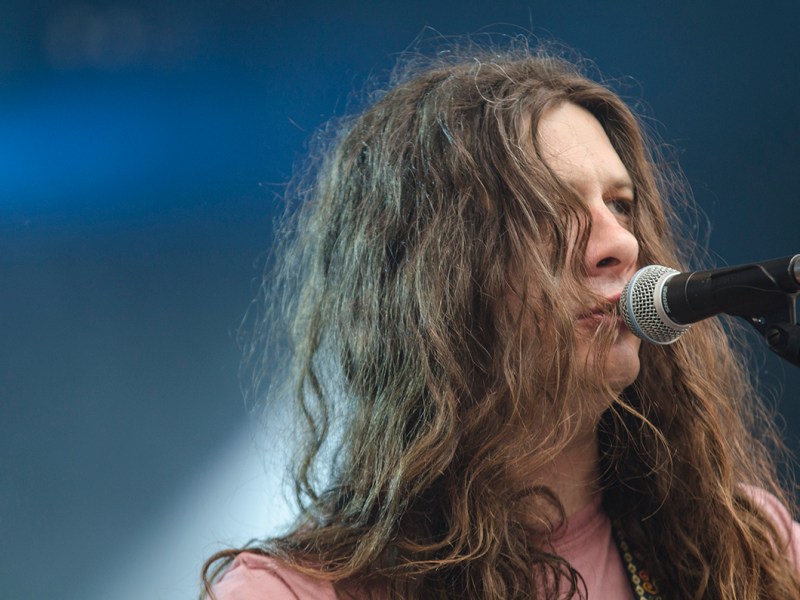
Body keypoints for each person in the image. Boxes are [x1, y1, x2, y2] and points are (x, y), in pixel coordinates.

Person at [202, 39, 800, 599]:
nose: (620, 242)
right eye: (552, 210)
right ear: (437, 281)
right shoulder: (290, 592)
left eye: (620, 205)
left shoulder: (746, 544)